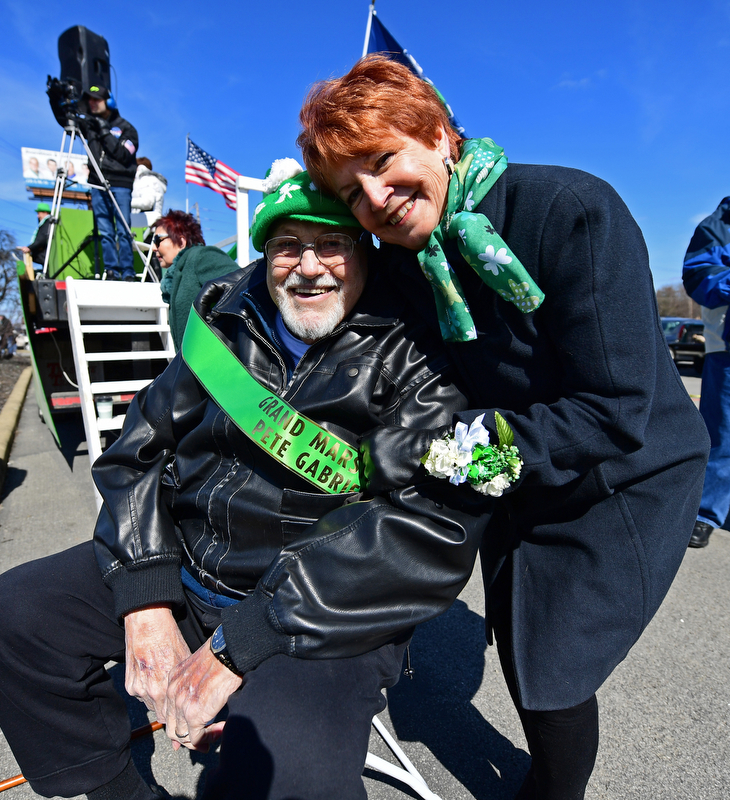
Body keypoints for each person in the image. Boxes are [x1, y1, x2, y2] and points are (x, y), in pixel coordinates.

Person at [0, 168, 492, 800]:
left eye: (331, 243)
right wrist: (144, 598)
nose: (308, 266)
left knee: (287, 774)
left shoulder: (421, 351)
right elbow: (137, 454)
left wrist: (234, 648)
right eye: (285, 245)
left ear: (364, 250)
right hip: (188, 568)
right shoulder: (224, 317)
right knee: (11, 620)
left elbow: (427, 534)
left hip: (313, 612)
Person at [296, 54, 710, 800]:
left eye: (385, 162)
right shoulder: (403, 261)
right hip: (517, 461)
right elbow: (324, 296)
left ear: (438, 134)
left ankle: (554, 789)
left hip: (624, 469)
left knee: (554, 666)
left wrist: (439, 454)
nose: (377, 200)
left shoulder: (571, 212)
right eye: (352, 193)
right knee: (520, 642)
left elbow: (615, 410)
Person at [682, 197, 730, 548]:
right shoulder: (718, 225)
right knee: (723, 433)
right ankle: (705, 513)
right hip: (726, 346)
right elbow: (699, 276)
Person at [78, 85, 139, 281]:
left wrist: (104, 133)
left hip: (120, 184)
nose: (92, 103)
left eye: (97, 99)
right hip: (97, 184)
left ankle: (127, 271)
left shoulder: (128, 128)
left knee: (123, 229)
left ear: (109, 102)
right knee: (105, 231)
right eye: (90, 100)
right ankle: (111, 270)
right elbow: (66, 121)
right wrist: (56, 101)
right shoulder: (89, 126)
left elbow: (122, 154)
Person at [153, 209, 236, 346]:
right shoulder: (179, 273)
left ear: (181, 241)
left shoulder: (200, 256)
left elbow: (243, 287)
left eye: (158, 240)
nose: (154, 248)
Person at [131, 156, 168, 226]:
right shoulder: (152, 180)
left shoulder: (146, 180)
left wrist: (125, 202)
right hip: (149, 223)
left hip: (145, 224)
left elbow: (147, 202)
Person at [18, 202, 52, 266]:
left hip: (45, 255)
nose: (38, 216)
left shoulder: (47, 223)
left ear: (45, 212)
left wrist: (30, 248)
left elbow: (42, 239)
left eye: (39, 213)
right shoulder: (47, 223)